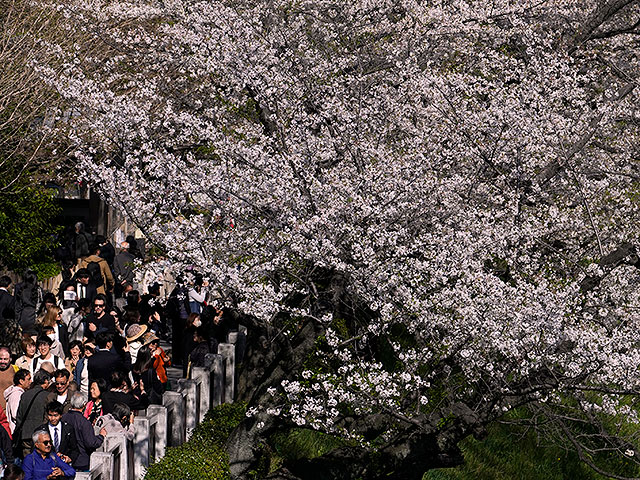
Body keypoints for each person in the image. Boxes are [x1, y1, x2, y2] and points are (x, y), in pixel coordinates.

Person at [62, 393, 105, 472]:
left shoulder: (63, 418)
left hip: (65, 459)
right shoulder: (84, 422)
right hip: (81, 461)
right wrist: (101, 436)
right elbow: (91, 443)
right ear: (84, 404)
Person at [14, 370, 52, 458]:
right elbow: (47, 417)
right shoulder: (48, 396)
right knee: (39, 460)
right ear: (46, 381)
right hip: (41, 435)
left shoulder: (25, 395)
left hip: (26, 434)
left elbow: (19, 416)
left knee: (27, 461)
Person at [36, 401, 79, 466]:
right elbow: (36, 451)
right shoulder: (41, 430)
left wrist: (69, 458)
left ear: (60, 415)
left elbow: (74, 449)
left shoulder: (68, 429)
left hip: (63, 467)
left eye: (55, 415)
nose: (53, 418)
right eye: (50, 415)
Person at [14, 271, 43, 337]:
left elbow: (17, 305)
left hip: (23, 315)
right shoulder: (38, 289)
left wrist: (17, 318)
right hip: (34, 316)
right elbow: (41, 303)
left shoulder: (20, 288)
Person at [4, 369, 31, 434]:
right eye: (28, 379)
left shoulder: (19, 393)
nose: (30, 381)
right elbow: (15, 413)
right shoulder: (16, 394)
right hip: (15, 431)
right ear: (21, 381)